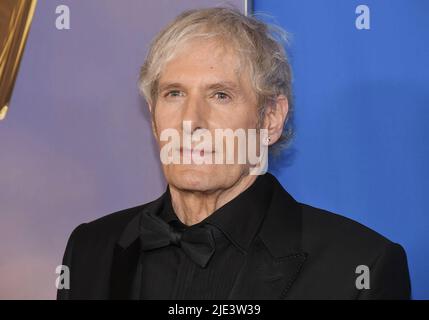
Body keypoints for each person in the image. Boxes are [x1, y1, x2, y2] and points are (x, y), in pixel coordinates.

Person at [57, 7, 411, 300]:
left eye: (220, 95)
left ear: (270, 118)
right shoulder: (90, 249)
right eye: (174, 94)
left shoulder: (358, 268)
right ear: (152, 117)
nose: (190, 122)